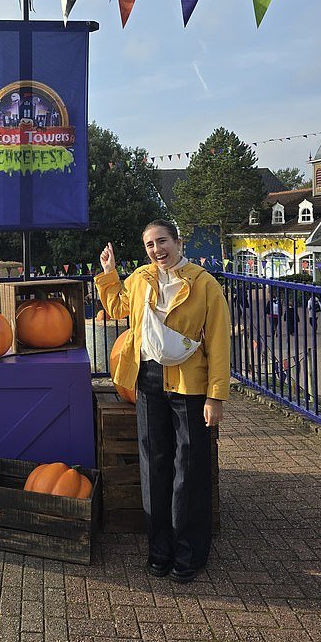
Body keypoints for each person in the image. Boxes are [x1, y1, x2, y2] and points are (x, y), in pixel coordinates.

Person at [96, 219, 230, 584]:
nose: (157, 250)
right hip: (149, 379)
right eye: (151, 244)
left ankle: (190, 552)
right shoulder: (140, 278)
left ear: (177, 241)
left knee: (190, 468)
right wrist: (109, 274)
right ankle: (160, 549)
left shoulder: (205, 285)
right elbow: (117, 308)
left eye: (162, 241)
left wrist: (216, 395)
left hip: (190, 384)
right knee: (154, 463)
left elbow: (218, 342)